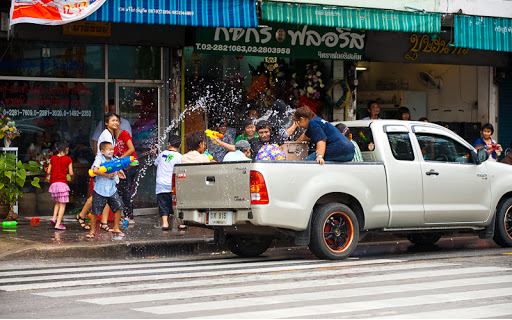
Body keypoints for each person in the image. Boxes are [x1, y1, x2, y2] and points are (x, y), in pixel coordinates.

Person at [76, 112, 120, 231]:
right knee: (97, 195)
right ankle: (81, 215)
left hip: (107, 167)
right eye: (113, 120)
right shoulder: (106, 135)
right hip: (102, 168)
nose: (116, 122)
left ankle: (104, 222)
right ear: (106, 123)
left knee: (107, 193)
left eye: (117, 120)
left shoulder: (111, 134)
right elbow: (104, 154)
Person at [87, 141, 126, 238]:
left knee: (119, 207)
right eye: (109, 150)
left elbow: (118, 165)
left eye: (112, 149)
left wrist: (120, 171)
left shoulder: (114, 158)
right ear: (102, 151)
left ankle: (116, 228)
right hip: (100, 190)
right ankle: (92, 231)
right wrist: (107, 175)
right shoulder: (99, 158)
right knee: (95, 211)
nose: (112, 151)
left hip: (112, 189)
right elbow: (95, 170)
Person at [155, 134, 183, 230]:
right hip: (173, 185)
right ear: (180, 146)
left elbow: (156, 164)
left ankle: (165, 223)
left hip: (161, 184)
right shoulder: (180, 157)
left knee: (163, 204)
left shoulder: (162, 154)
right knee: (176, 204)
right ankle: (180, 223)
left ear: (169, 144)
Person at [47, 141, 73, 230]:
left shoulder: (52, 159)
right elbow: (71, 172)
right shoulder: (68, 159)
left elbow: (48, 171)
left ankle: (54, 218)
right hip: (62, 183)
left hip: (53, 184)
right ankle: (58, 223)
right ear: (66, 149)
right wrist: (71, 177)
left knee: (58, 202)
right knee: (63, 204)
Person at [115, 127, 138, 224]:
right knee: (122, 190)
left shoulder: (124, 133)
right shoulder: (111, 137)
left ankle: (130, 217)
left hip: (131, 163)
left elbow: (131, 149)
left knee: (125, 189)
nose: (115, 123)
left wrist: (120, 159)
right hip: (122, 165)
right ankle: (126, 215)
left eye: (116, 120)